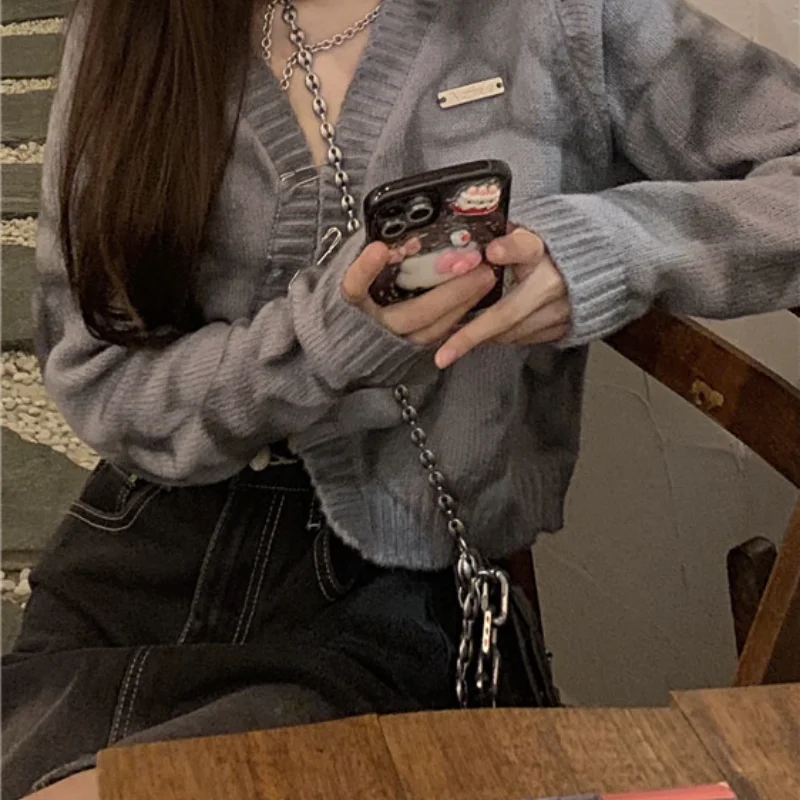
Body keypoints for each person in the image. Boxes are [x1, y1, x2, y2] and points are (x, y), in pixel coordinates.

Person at [3, 0, 799, 797]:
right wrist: (328, 340)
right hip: (147, 549)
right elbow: (101, 377)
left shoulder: (557, 16)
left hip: (400, 585)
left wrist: (607, 247)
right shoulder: (132, 24)